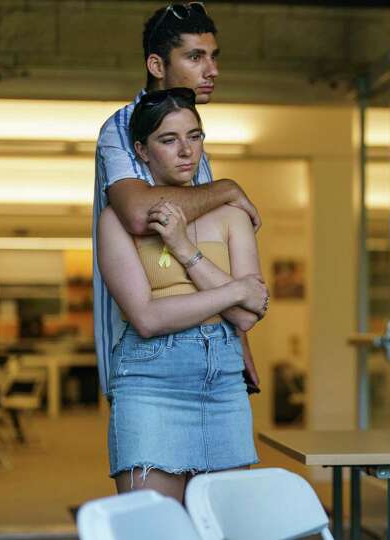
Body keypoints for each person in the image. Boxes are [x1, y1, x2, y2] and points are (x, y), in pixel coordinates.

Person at [92, 2, 265, 412]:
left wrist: (240, 344)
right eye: (195, 57)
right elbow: (138, 213)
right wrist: (226, 188)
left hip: (211, 347)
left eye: (213, 56)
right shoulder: (122, 126)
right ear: (156, 64)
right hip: (145, 350)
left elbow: (206, 244)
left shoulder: (191, 145)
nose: (212, 70)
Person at [98, 87, 266, 502]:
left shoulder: (231, 215)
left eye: (195, 136)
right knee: (153, 529)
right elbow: (147, 318)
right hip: (150, 382)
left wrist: (182, 247)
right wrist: (234, 289)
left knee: (226, 529)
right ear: (141, 150)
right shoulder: (117, 221)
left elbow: (246, 317)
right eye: (168, 140)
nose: (186, 151)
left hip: (224, 384)